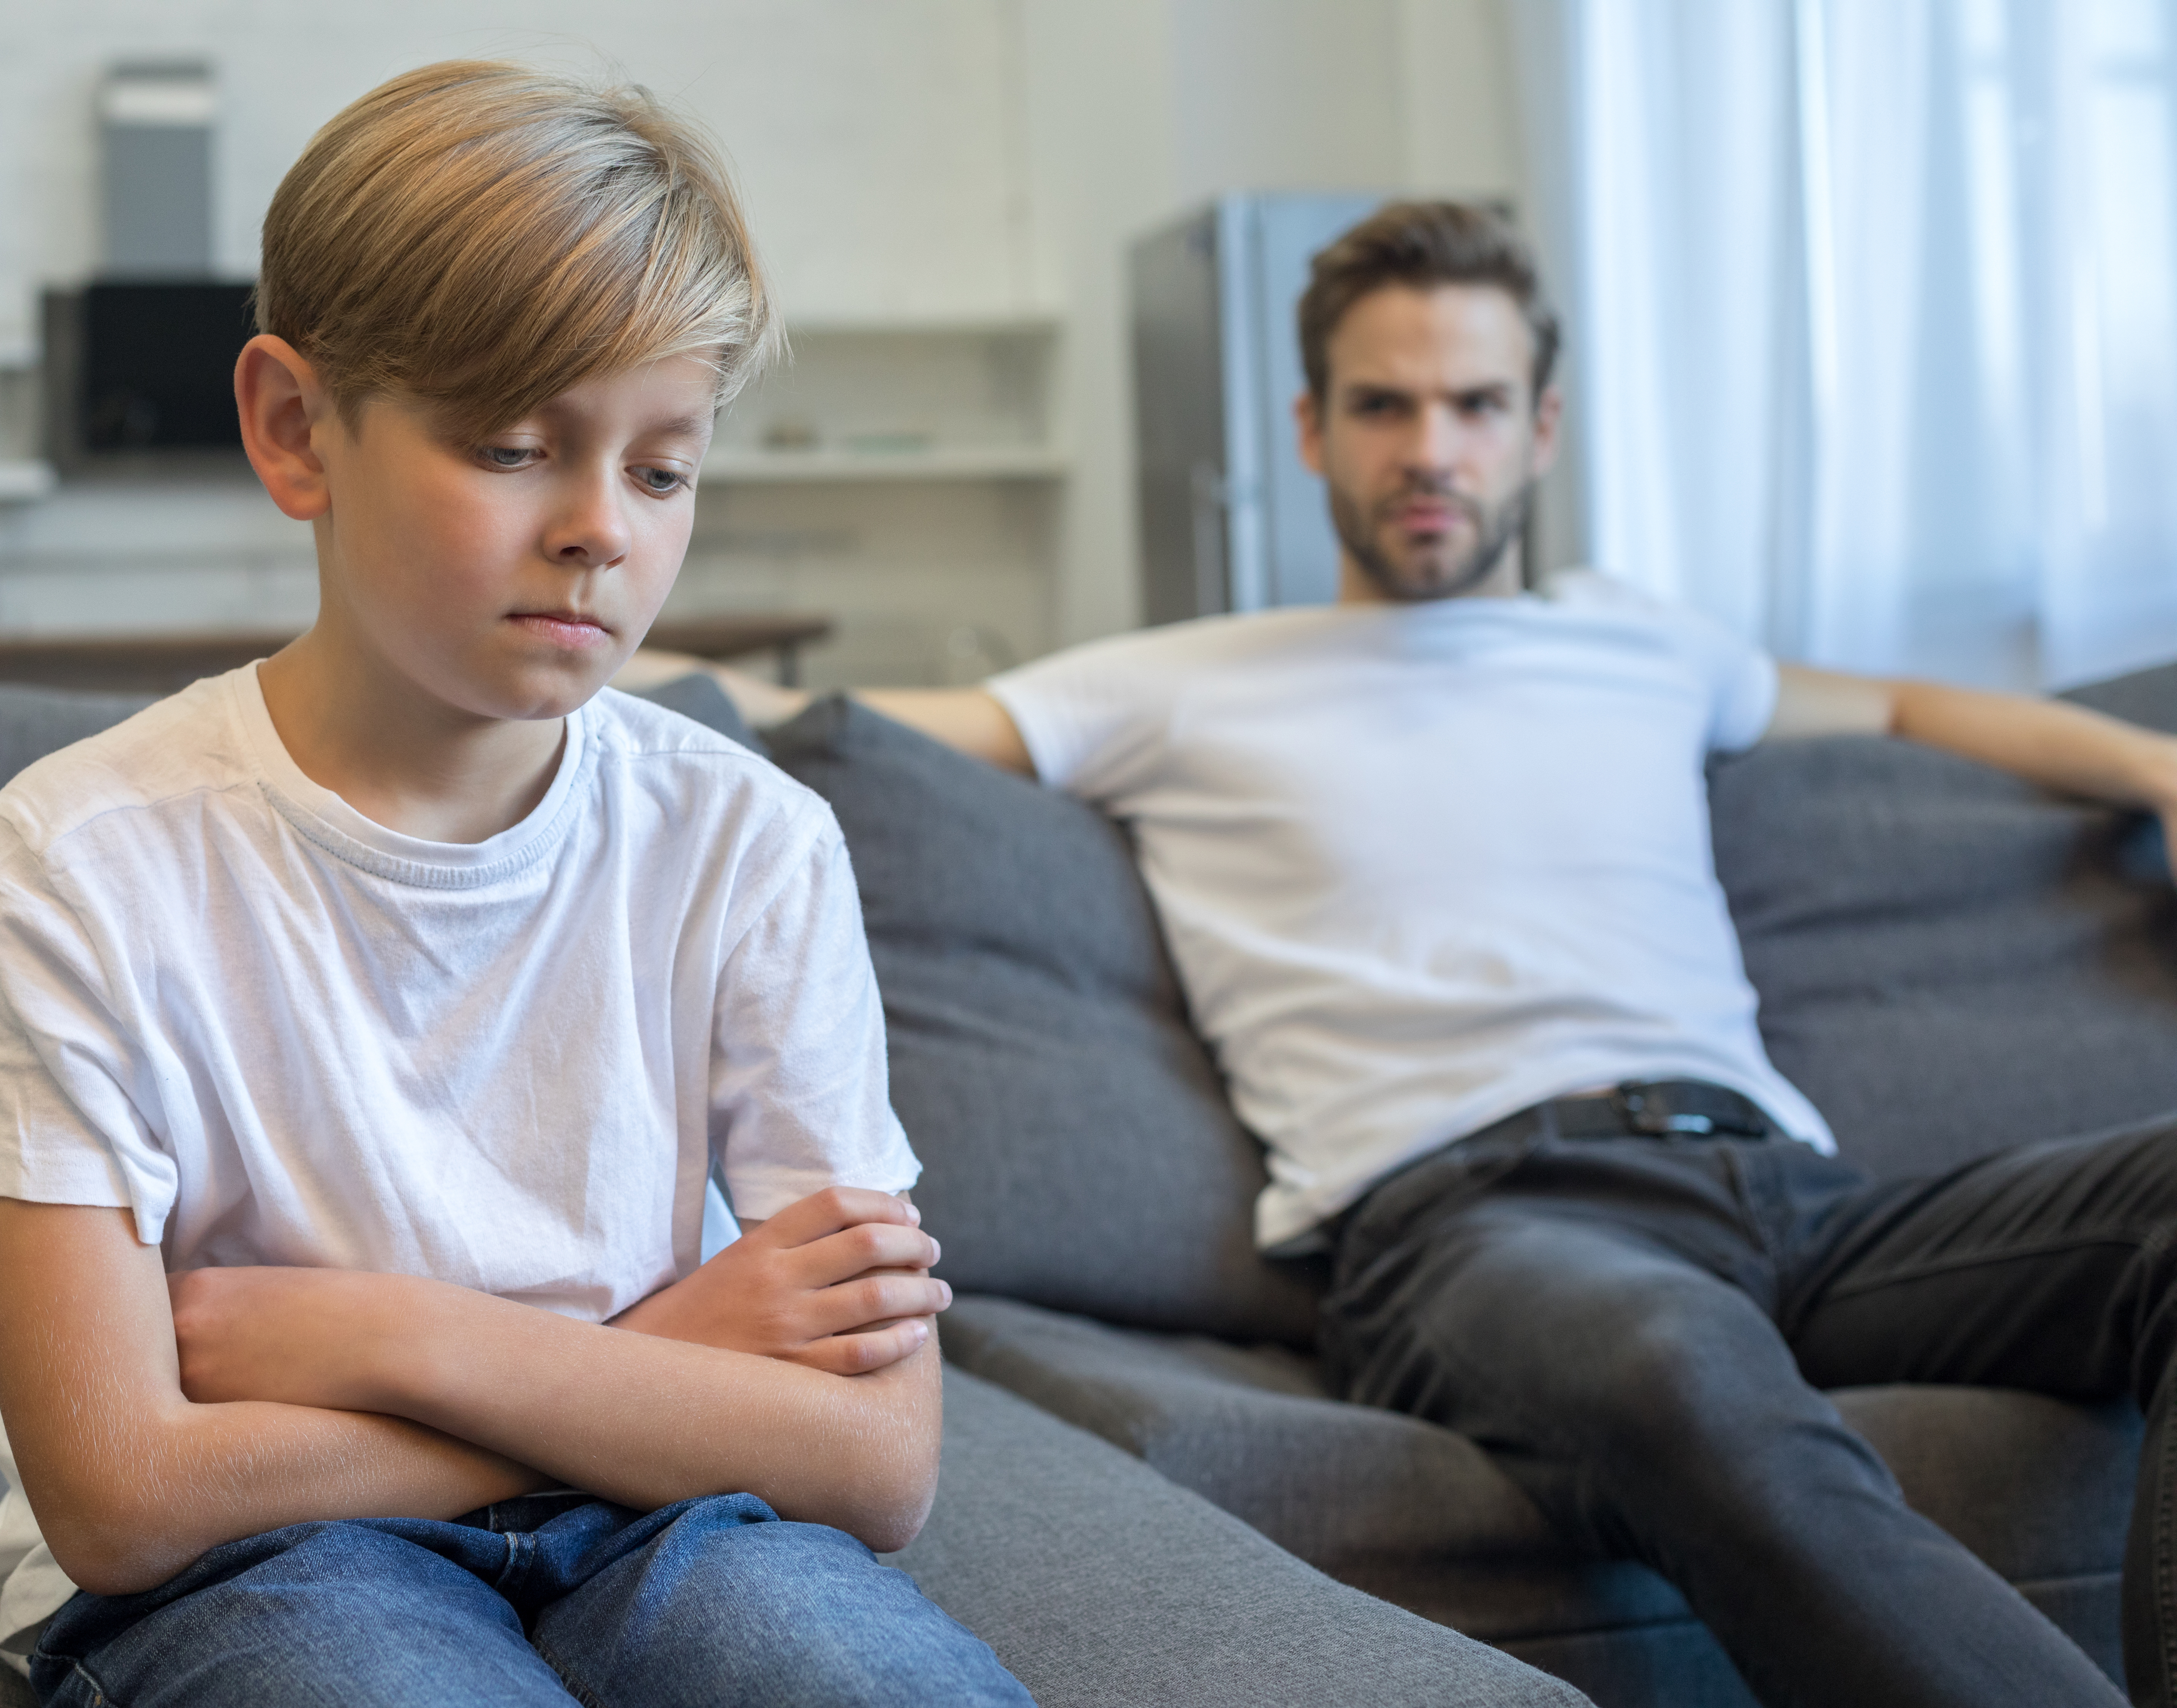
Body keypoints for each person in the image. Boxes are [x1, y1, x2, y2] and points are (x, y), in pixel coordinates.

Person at [629, 200, 2177, 1708]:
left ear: (1540, 428)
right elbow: (797, 725)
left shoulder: (1649, 646)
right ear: (1310, 429)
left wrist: (2160, 772)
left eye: (1474, 404)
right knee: (1684, 1375)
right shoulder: (1180, 679)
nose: (1430, 448)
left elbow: (1912, 710)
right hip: (1476, 1225)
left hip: (1791, 1194)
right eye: (1383, 405)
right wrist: (547, 601)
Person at [0, 61, 1037, 1708]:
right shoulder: (84, 853)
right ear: (296, 429)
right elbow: (120, 1490)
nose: (601, 529)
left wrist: (387, 1336)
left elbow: (879, 1460)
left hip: (673, 1520)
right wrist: (653, 1363)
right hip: (276, 1559)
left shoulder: (750, 841)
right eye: (517, 445)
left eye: (663, 470)